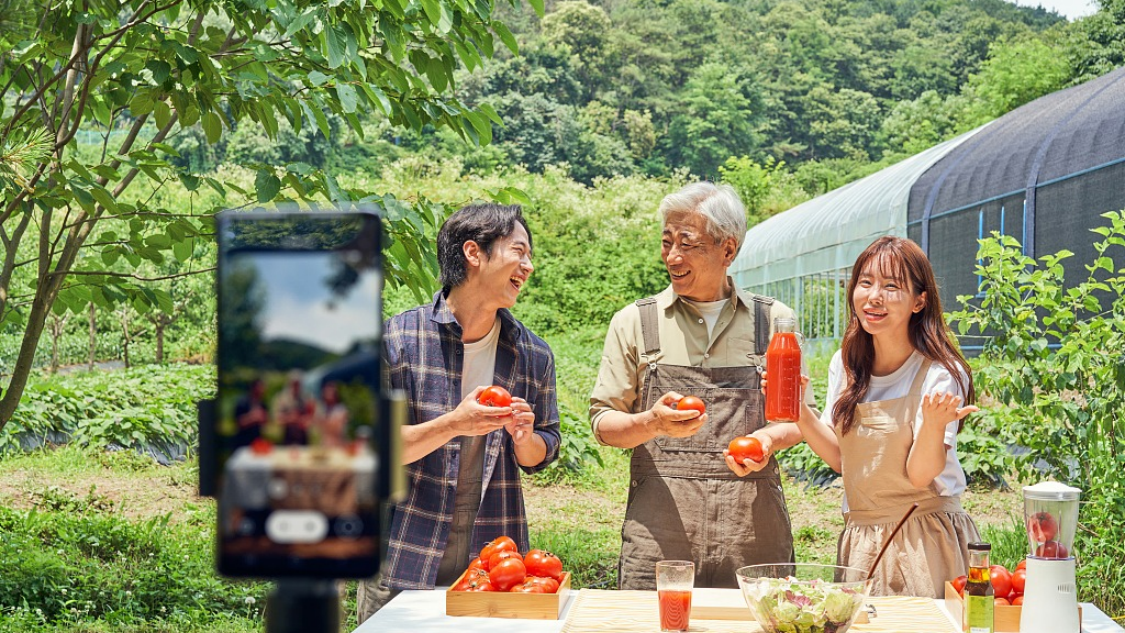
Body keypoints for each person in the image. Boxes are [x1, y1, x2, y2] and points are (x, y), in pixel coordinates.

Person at [589, 182, 813, 590]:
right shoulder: (636, 323)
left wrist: (765, 440)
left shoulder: (774, 323)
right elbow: (603, 424)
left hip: (752, 532)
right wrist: (653, 423)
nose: (672, 256)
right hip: (660, 534)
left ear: (728, 250)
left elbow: (800, 419)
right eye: (667, 242)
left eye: (688, 244)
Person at [357, 203, 561, 622]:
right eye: (518, 252)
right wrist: (455, 423)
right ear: (474, 253)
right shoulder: (397, 340)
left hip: (494, 551)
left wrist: (526, 439)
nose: (529, 266)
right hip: (405, 544)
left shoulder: (533, 354)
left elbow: (545, 449)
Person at [787, 236, 980, 598]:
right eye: (866, 282)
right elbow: (844, 461)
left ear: (919, 301)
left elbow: (921, 475)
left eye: (892, 286)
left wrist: (935, 425)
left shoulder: (939, 372)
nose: (874, 296)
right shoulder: (846, 365)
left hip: (925, 538)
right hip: (861, 537)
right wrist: (799, 410)